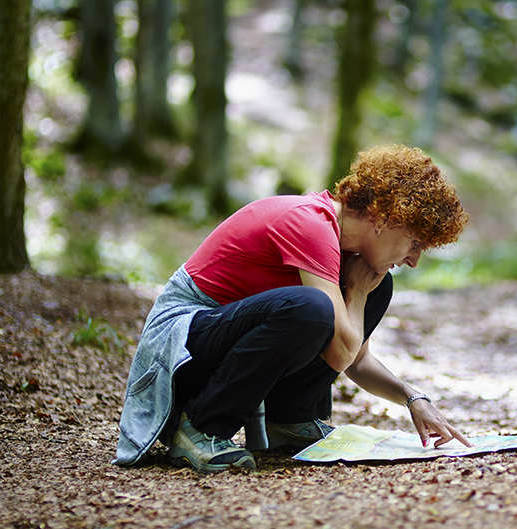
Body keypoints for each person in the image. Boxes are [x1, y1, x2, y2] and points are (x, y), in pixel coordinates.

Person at [114, 145, 473, 472]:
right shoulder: (311, 224)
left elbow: (357, 360)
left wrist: (413, 398)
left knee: (368, 289)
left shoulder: (346, 252)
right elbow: (341, 352)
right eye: (414, 243)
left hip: (218, 342)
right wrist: (357, 295)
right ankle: (202, 426)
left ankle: (291, 420)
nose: (413, 260)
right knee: (313, 307)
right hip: (180, 345)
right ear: (381, 217)